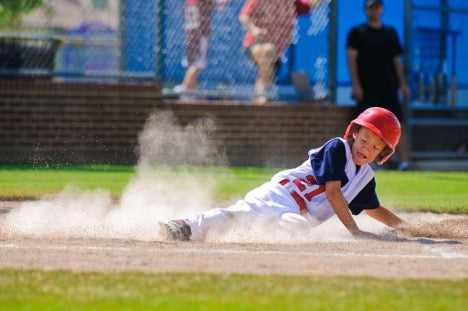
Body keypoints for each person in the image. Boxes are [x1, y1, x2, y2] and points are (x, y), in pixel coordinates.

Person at [161, 107, 415, 241]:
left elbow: (373, 208)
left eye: (374, 147)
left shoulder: (365, 178)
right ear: (355, 133)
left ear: (383, 153)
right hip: (283, 195)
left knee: (292, 229)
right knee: (246, 214)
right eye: (365, 139)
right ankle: (186, 226)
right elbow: (333, 192)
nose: (366, 148)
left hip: (298, 214)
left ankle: (218, 232)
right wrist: (355, 231)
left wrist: (407, 228)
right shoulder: (338, 148)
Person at [346, 0, 411, 171]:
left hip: (389, 88)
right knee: (365, 127)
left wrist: (403, 84)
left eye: (377, 7)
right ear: (366, 10)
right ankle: (359, 163)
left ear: (382, 9)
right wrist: (356, 85)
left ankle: (404, 163)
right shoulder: (358, 32)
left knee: (398, 123)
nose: (374, 10)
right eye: (371, 7)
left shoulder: (390, 33)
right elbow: (351, 59)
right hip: (367, 89)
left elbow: (397, 61)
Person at [239, 0, 324, 104]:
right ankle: (264, 94)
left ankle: (262, 96)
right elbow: (244, 16)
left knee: (268, 67)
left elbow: (310, 5)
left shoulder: (291, 2)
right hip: (256, 44)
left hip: (277, 52)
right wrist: (254, 29)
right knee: (267, 51)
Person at [173, 0, 229, 97]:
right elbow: (219, 5)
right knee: (198, 65)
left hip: (190, 35)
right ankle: (185, 87)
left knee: (193, 64)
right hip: (200, 35)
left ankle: (190, 93)